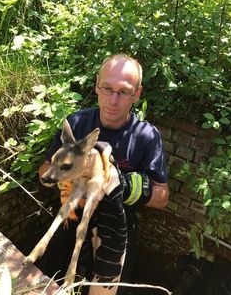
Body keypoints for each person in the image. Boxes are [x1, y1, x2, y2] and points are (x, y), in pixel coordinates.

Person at [38, 54, 169, 295]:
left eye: (123, 91)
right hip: (71, 222)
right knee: (53, 284)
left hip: (114, 236)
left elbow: (161, 196)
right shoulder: (75, 124)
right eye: (107, 88)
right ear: (97, 85)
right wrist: (65, 178)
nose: (113, 100)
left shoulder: (147, 136)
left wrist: (119, 185)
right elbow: (44, 170)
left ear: (137, 95)